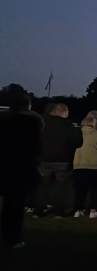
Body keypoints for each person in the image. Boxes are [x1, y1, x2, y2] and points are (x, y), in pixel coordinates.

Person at [0, 93, 42, 249]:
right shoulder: (31, 123)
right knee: (14, 206)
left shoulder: (3, 120)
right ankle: (11, 238)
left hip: (4, 165)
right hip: (19, 168)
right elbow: (36, 148)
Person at [35, 103, 83, 217]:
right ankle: (58, 211)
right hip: (62, 160)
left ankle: (38, 211)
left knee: (43, 185)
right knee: (61, 186)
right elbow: (78, 142)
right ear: (65, 113)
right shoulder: (68, 125)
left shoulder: (43, 124)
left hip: (45, 159)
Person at [72, 114, 97, 218]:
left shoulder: (77, 133)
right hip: (94, 165)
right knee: (94, 189)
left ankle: (78, 210)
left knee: (80, 189)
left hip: (79, 164)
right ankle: (93, 210)